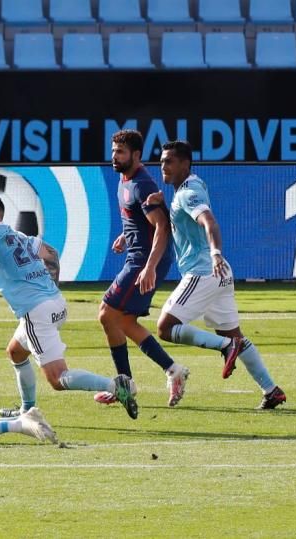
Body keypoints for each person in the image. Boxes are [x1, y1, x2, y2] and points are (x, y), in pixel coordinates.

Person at [0, 195, 140, 420]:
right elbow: (51, 254)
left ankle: (116, 385)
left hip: (37, 312)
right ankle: (27, 411)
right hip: (56, 305)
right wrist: (51, 286)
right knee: (15, 351)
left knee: (58, 379)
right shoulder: (20, 236)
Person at [144, 141, 286, 410]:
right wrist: (163, 206)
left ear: (186, 164)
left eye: (170, 161)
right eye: (162, 161)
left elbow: (208, 221)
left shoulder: (187, 193)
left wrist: (215, 252)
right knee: (236, 337)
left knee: (165, 327)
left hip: (203, 273)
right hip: (219, 275)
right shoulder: (190, 187)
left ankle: (223, 348)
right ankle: (271, 390)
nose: (164, 165)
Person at [96, 129, 190, 411]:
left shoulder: (141, 184)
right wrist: (127, 235)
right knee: (123, 321)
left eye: (121, 152)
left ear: (136, 155)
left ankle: (125, 385)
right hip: (138, 258)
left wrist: (149, 267)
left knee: (106, 314)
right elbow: (142, 219)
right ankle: (173, 370)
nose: (115, 157)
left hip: (144, 262)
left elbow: (163, 226)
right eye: (113, 151)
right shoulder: (125, 180)